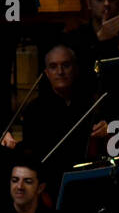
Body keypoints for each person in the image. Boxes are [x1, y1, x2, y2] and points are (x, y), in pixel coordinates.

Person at [21, 43, 107, 190]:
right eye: (53, 67)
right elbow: (32, 157)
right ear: (47, 73)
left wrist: (106, 130)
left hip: (89, 177)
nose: (60, 72)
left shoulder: (92, 104)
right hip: (51, 182)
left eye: (66, 65)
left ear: (75, 69)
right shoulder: (34, 110)